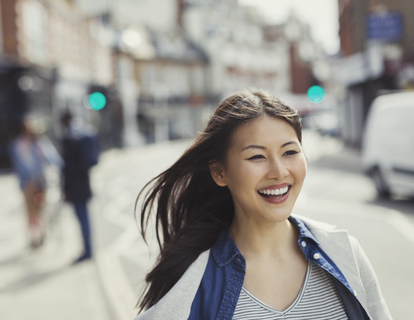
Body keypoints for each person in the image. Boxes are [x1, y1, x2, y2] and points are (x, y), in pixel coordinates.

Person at [134, 91, 392, 320]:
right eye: (257, 156)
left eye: (290, 152)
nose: (279, 172)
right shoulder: (194, 284)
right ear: (219, 172)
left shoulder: (344, 252)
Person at [10, 114, 63, 249]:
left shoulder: (41, 143)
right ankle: (34, 237)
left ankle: (42, 233)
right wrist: (29, 178)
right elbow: (20, 165)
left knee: (41, 209)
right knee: (30, 212)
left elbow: (52, 158)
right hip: (27, 184)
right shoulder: (18, 144)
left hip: (40, 182)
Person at [61, 111, 100, 264]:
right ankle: (88, 249)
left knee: (82, 219)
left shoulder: (69, 140)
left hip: (75, 188)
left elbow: (67, 170)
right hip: (83, 185)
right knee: (84, 218)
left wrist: (65, 190)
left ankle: (88, 250)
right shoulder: (78, 138)